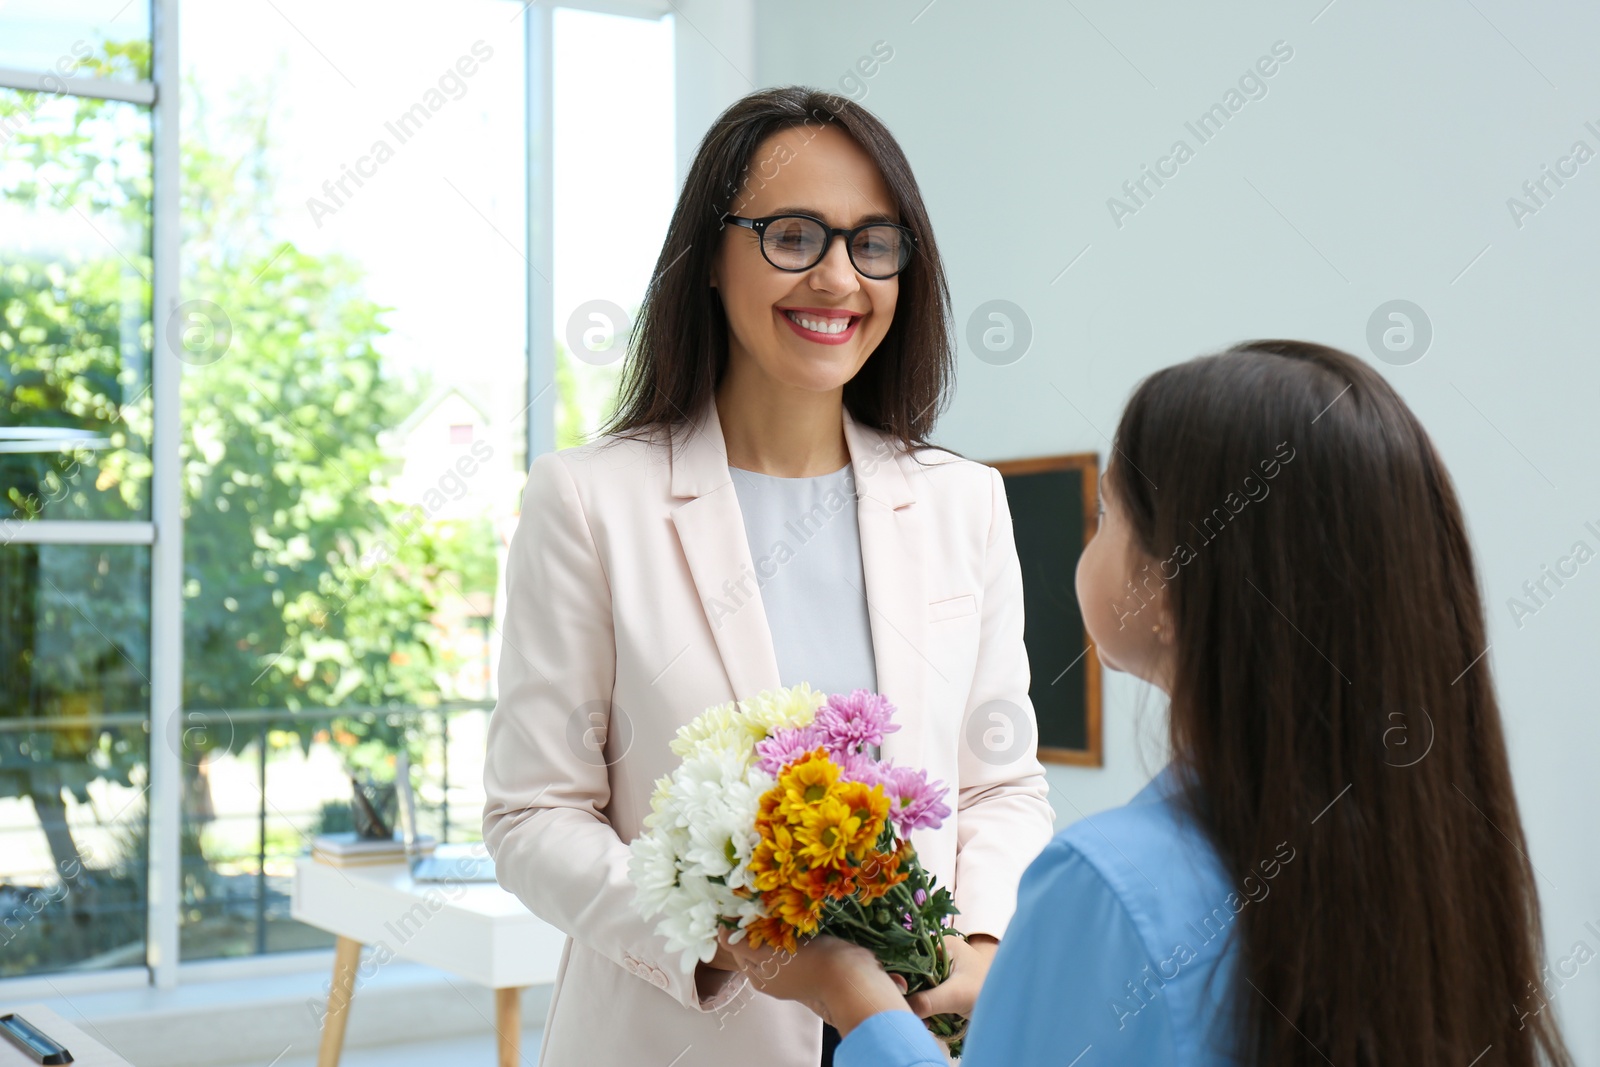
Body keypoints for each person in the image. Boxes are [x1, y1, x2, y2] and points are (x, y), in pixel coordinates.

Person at [723, 340, 1577, 1067]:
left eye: (1107, 514)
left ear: (1169, 588)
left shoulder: (1108, 889)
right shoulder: (1438, 858)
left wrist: (857, 1002)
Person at [480, 85, 1056, 1067]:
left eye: (873, 243)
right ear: (709, 255)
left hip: (918, 1034)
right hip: (673, 1035)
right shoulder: (587, 498)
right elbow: (532, 812)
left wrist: (986, 942)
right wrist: (718, 930)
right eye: (794, 235)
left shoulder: (964, 500)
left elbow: (1000, 780)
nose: (838, 277)